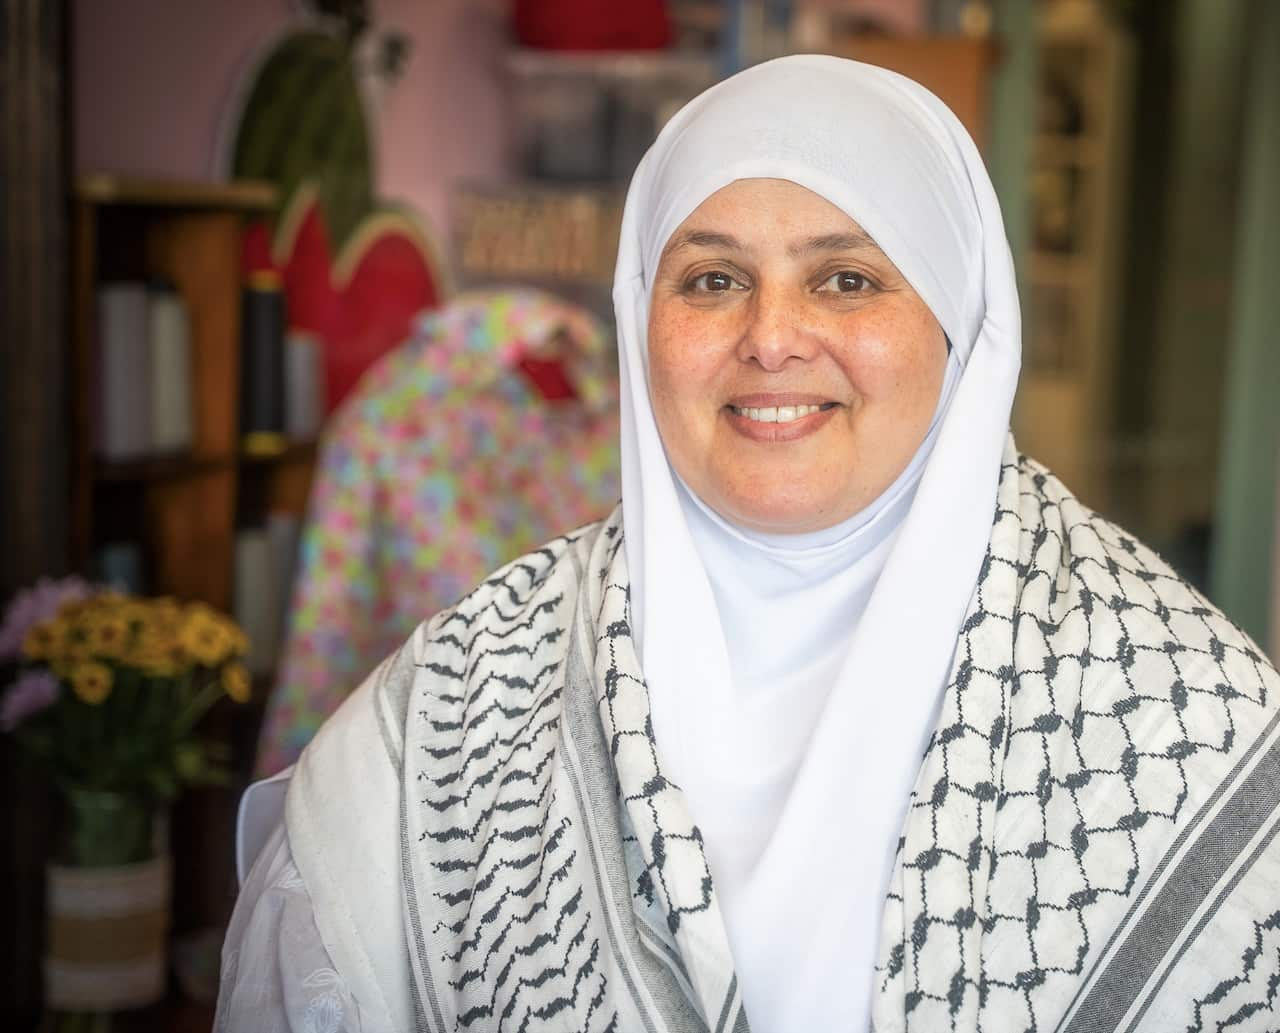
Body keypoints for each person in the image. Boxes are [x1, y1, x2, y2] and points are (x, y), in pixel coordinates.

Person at [215, 55, 1280, 1033]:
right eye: (712, 279)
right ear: (642, 314)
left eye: (845, 278)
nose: (771, 336)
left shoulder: (1186, 711)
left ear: (958, 325)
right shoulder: (459, 697)